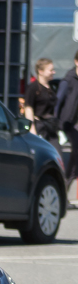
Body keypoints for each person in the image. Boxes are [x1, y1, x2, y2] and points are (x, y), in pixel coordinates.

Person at [25, 57, 59, 148]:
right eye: (51, 70)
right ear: (41, 71)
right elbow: (28, 108)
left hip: (50, 127)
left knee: (57, 153)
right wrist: (32, 130)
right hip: (39, 126)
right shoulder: (33, 88)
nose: (53, 72)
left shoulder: (51, 87)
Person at [55, 54, 78, 186]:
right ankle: (64, 184)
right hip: (62, 123)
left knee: (76, 155)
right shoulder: (68, 80)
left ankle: (65, 185)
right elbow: (58, 102)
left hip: (72, 123)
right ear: (76, 61)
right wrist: (56, 122)